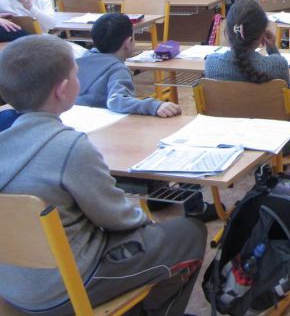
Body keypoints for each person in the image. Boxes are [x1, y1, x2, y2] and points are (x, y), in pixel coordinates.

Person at [0, 35, 206, 315]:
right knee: (189, 233)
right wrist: (146, 224)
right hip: (67, 288)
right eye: (76, 75)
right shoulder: (68, 147)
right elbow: (117, 217)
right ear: (63, 90)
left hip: (12, 286)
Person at [206, 0, 290, 185]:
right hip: (277, 142)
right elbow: (287, 98)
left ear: (227, 32)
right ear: (262, 34)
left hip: (230, 140)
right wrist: (273, 49)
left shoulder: (212, 63)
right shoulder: (276, 65)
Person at [75, 13, 182, 117]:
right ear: (129, 41)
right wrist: (153, 106)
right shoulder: (117, 69)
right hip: (100, 124)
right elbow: (116, 101)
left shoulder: (80, 59)